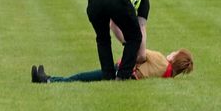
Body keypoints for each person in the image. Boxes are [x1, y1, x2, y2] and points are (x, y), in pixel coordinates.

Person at [85, 0, 149, 81]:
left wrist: (126, 43)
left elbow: (113, 24)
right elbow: (141, 28)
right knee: (135, 37)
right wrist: (140, 53)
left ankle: (108, 76)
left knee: (102, 39)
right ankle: (122, 76)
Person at [31, 48, 192, 83]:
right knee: (83, 78)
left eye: (175, 52)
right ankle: (48, 78)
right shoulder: (167, 74)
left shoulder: (161, 60)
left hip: (121, 72)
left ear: (174, 58)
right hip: (127, 76)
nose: (172, 52)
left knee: (82, 77)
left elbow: (139, 50)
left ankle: (47, 80)